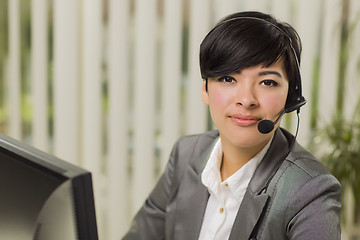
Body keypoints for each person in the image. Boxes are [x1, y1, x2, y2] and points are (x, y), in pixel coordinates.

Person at [123, 11, 341, 240]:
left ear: (290, 98)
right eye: (228, 78)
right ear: (205, 89)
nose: (246, 99)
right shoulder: (185, 155)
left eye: (268, 82)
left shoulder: (310, 191)